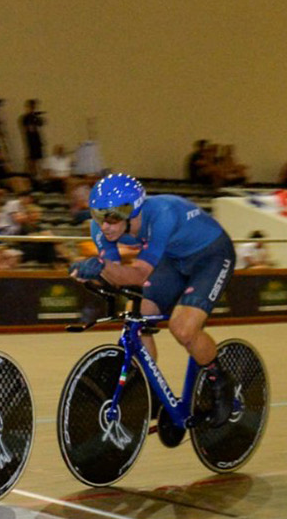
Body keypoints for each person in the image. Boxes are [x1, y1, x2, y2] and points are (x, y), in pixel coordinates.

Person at [72, 173, 237, 427]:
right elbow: (116, 277)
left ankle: (220, 380)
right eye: (98, 215)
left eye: (113, 217)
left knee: (183, 329)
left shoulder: (163, 214)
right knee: (135, 320)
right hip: (173, 259)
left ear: (133, 211)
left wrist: (101, 266)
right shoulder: (102, 228)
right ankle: (151, 391)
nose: (105, 225)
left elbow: (136, 274)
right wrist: (92, 272)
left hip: (211, 255)